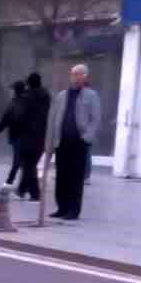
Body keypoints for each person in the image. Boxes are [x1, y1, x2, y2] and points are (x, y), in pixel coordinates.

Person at [45, 63, 100, 220]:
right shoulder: (62, 96)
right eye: (74, 74)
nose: (76, 77)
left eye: (80, 74)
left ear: (85, 77)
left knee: (75, 178)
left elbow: (95, 119)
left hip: (79, 143)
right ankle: (61, 208)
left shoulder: (91, 95)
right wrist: (50, 141)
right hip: (61, 142)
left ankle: (73, 210)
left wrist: (86, 138)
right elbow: (53, 118)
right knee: (62, 176)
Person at [13, 73, 50, 202]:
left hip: (27, 135)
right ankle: (26, 191)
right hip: (41, 135)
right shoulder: (46, 96)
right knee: (31, 164)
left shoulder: (27, 97)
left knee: (28, 164)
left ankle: (30, 192)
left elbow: (20, 115)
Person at [0, 80, 25, 185]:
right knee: (22, 161)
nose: (10, 92)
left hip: (18, 135)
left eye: (12, 90)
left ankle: (11, 182)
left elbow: (6, 119)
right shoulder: (26, 101)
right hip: (25, 135)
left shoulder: (15, 103)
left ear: (15, 90)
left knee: (18, 160)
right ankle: (22, 184)